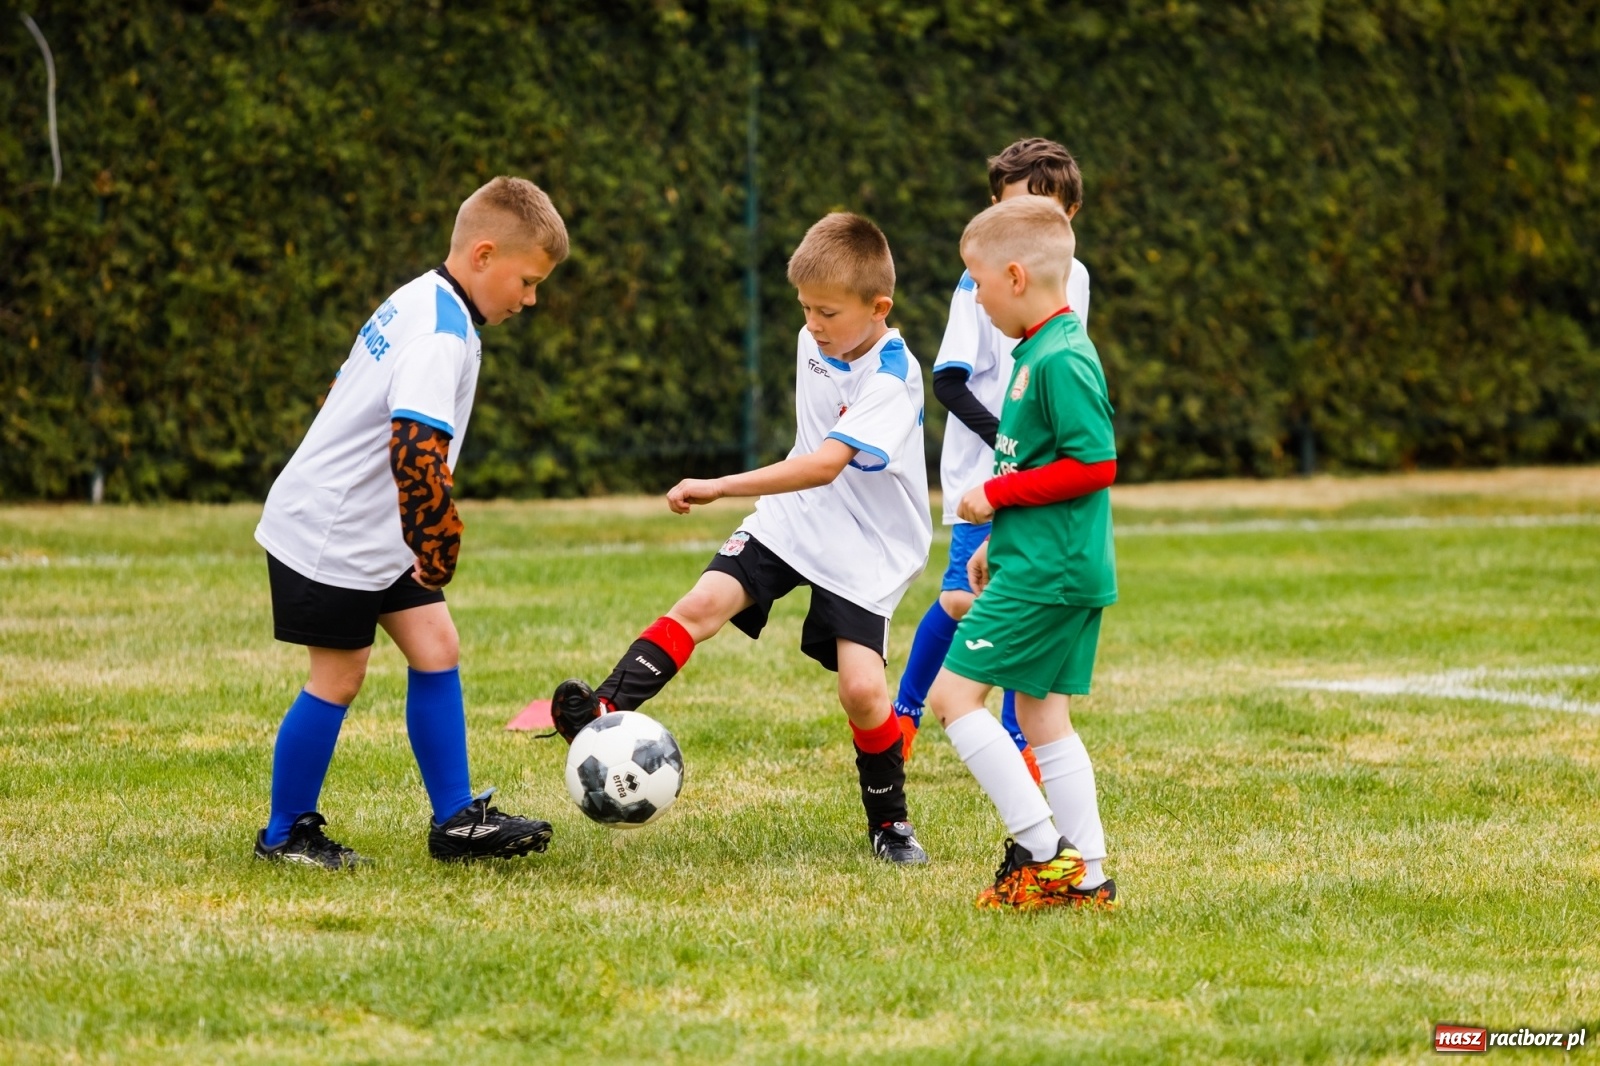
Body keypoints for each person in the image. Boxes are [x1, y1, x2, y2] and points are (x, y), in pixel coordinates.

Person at [548, 213, 935, 864]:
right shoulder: (815, 338)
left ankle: (890, 824)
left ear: (879, 308)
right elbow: (810, 466)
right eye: (805, 308)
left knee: (863, 692)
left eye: (828, 312)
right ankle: (601, 714)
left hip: (868, 547)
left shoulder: (893, 376)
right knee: (701, 605)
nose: (813, 324)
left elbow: (826, 461)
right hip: (797, 516)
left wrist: (719, 485)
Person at [252, 176, 568, 869]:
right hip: (334, 531)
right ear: (484, 255)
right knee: (338, 677)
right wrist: (437, 536)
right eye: (527, 280)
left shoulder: (424, 298)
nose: (530, 299)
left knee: (435, 645)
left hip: (375, 524)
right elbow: (414, 446)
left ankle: (457, 820)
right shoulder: (439, 333)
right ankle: (285, 835)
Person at [926, 195, 1118, 910]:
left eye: (975, 284)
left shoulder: (1063, 357)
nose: (973, 298)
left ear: (1013, 276)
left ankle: (1043, 854)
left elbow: (1094, 465)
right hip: (1042, 561)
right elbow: (1031, 460)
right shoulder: (1037, 350)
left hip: (1051, 569)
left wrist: (994, 501)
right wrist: (995, 546)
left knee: (952, 698)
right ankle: (1089, 874)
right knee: (1040, 716)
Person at [894, 138, 1092, 781]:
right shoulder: (974, 283)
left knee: (1006, 599)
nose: (1029, 227)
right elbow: (949, 382)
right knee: (963, 601)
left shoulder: (1074, 278)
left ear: (1071, 216)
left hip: (1032, 479)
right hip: (984, 476)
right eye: (1015, 210)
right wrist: (1013, 438)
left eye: (1047, 212)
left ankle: (1019, 739)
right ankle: (904, 715)